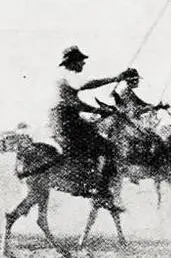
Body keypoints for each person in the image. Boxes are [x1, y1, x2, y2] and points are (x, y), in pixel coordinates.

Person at [46, 46, 126, 201]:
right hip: (67, 121)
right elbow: (89, 84)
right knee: (109, 147)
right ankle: (102, 190)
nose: (83, 64)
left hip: (59, 120)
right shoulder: (70, 75)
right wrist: (116, 78)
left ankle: (85, 179)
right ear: (73, 62)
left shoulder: (61, 77)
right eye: (81, 61)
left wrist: (98, 110)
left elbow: (75, 102)